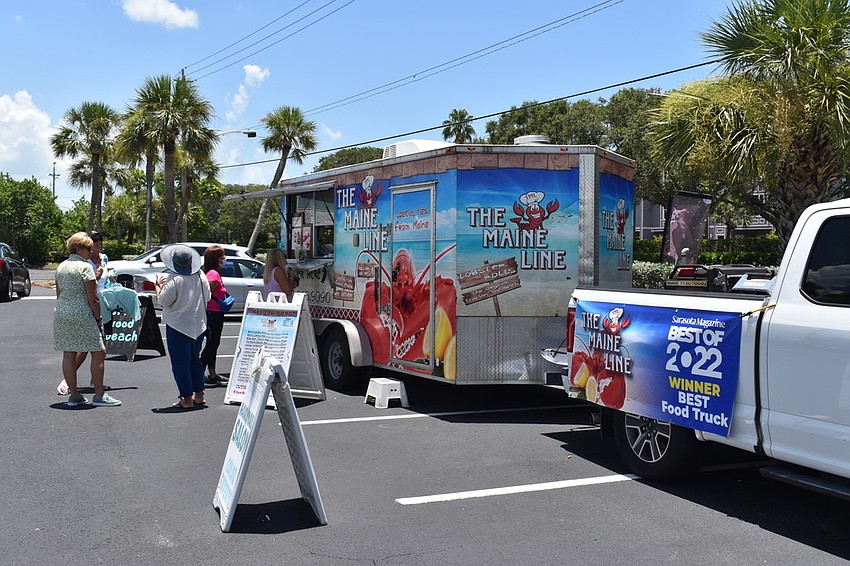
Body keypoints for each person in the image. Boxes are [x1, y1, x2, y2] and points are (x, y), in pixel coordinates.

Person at [53, 232, 121, 407]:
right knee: (99, 352)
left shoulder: (61, 266)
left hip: (62, 311)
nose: (91, 251)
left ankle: (74, 395)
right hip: (82, 312)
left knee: (69, 352)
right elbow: (93, 298)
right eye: (88, 248)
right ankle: (99, 395)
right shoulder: (85, 268)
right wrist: (99, 319)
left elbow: (59, 294)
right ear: (78, 248)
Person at [155, 244, 211, 410]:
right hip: (198, 324)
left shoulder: (174, 278)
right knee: (195, 360)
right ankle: (199, 394)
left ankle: (186, 398)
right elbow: (207, 296)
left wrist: (158, 287)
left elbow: (163, 301)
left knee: (180, 363)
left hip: (178, 324)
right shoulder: (201, 275)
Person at [201, 245, 228, 386]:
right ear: (216, 258)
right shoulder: (213, 274)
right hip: (213, 313)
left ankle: (212, 373)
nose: (224, 259)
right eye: (222, 256)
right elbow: (207, 293)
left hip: (216, 312)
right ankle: (199, 373)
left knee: (214, 343)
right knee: (212, 343)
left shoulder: (212, 272)